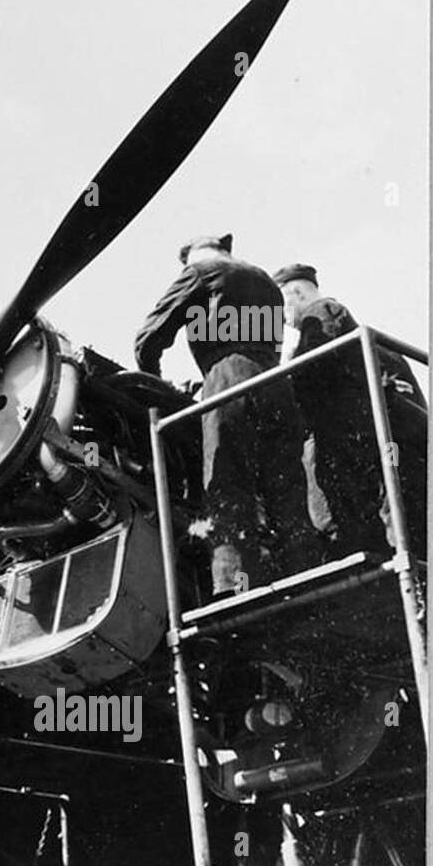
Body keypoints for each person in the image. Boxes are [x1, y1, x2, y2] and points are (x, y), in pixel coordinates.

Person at [135, 234, 318, 597]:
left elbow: (148, 338)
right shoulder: (264, 279)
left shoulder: (201, 271)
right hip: (276, 383)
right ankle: (308, 572)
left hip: (228, 378)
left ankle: (235, 584)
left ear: (191, 258)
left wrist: (152, 382)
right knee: (286, 487)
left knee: (227, 483)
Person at [273, 263, 427, 557]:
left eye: (282, 308)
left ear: (295, 293)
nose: (283, 320)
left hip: (366, 439)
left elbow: (312, 369)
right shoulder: (370, 345)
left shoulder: (321, 311)